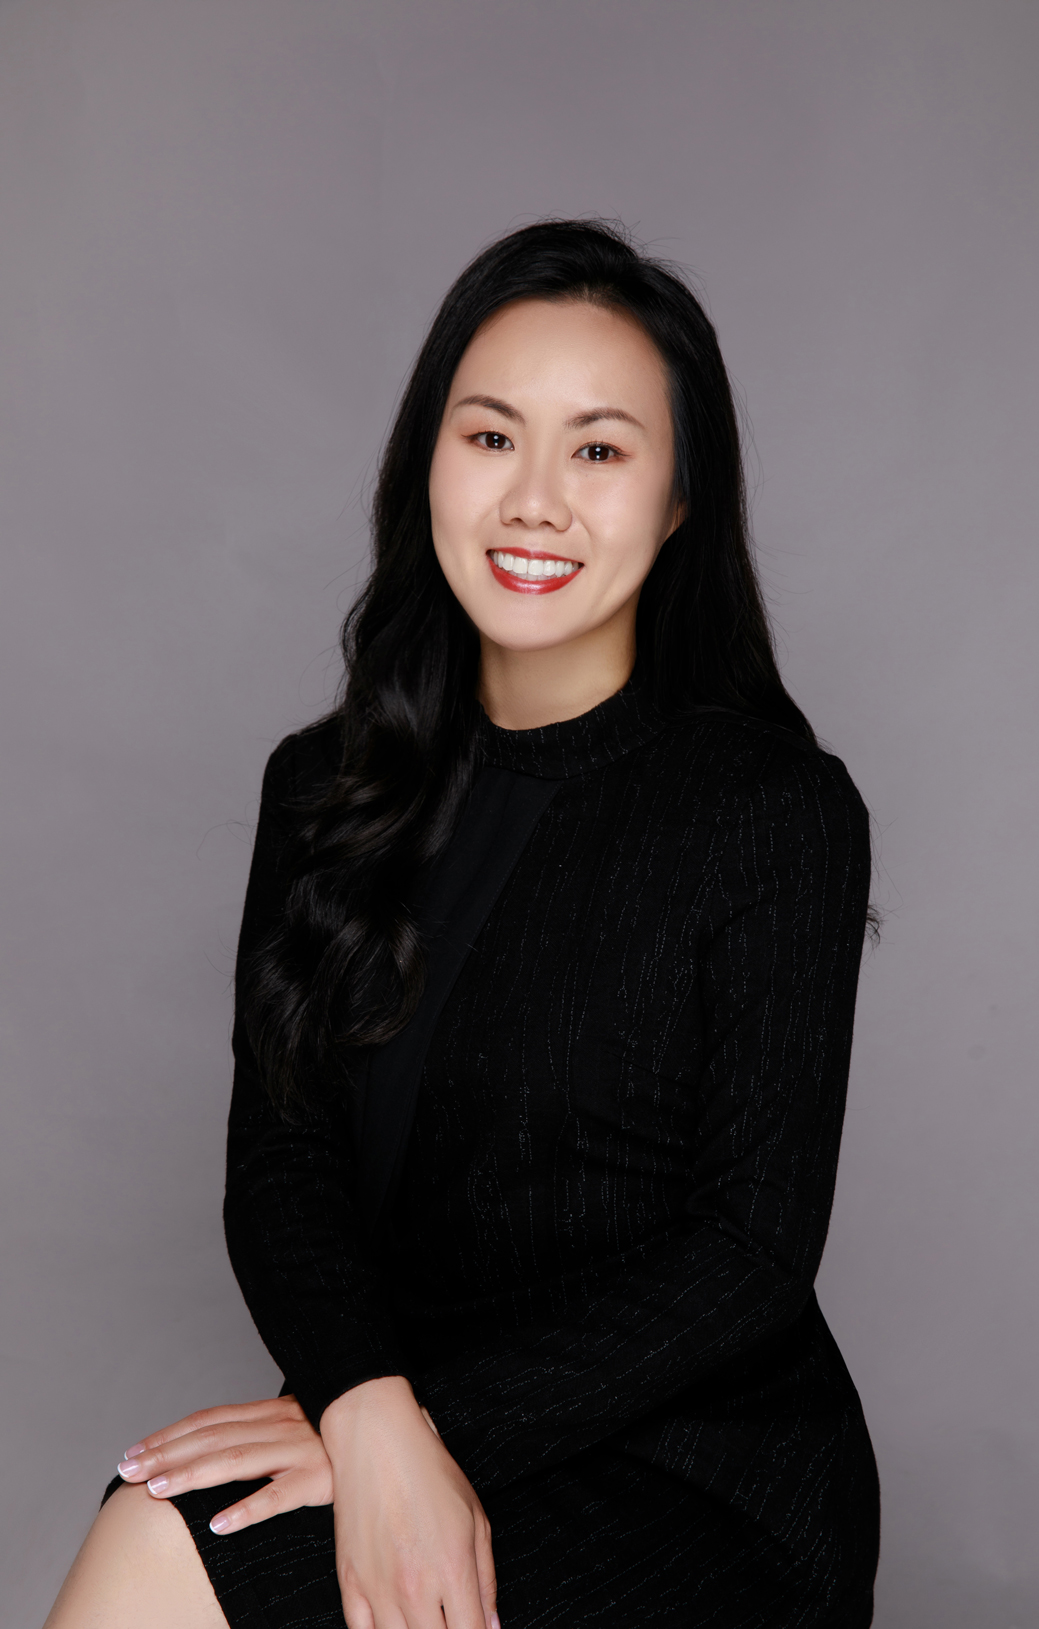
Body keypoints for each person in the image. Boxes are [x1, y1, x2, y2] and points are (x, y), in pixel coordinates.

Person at [45, 219, 880, 1629]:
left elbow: (748, 1252)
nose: (533, 501)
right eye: (490, 437)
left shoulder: (771, 811)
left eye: (599, 451)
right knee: (158, 1526)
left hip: (698, 1469)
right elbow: (282, 1167)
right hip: (398, 1406)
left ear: (680, 499)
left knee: (168, 1556)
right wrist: (367, 1412)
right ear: (425, 464)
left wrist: (420, 1432)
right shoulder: (323, 788)